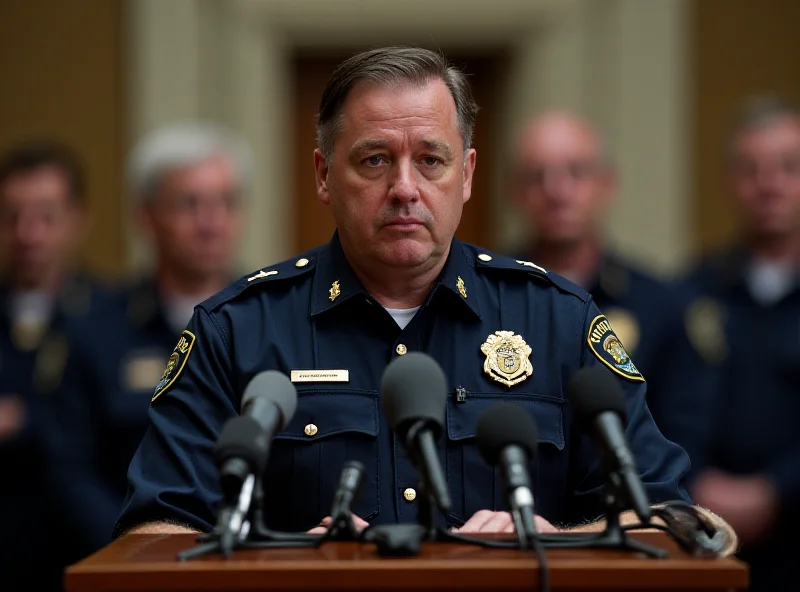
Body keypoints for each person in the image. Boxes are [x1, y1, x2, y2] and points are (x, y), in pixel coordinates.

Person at [115, 47, 690, 538]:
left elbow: (679, 519)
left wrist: (560, 541)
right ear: (323, 174)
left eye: (431, 160)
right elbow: (153, 530)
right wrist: (288, 557)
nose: (405, 189)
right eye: (375, 160)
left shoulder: (557, 321)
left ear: (466, 175)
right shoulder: (236, 331)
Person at [45, 123, 251, 563]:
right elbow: (69, 472)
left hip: (256, 564)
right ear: (146, 216)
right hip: (130, 564)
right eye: (189, 204)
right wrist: (135, 553)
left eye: (225, 203)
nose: (211, 223)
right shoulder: (94, 333)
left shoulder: (273, 320)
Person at [508, 112, 711, 459]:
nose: (556, 190)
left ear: (607, 183)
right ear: (513, 192)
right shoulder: (489, 293)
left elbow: (682, 437)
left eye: (576, 172)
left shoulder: (660, 304)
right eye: (537, 176)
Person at [678, 96, 800, 592]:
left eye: (788, 167)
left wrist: (776, 491)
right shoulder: (691, 291)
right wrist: (697, 484)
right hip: (707, 544)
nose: (769, 183)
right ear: (731, 181)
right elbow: (664, 403)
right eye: (751, 169)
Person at [0, 141, 112, 590]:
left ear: (77, 219)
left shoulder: (115, 318)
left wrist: (25, 421)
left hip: (87, 550)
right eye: (13, 217)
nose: (29, 233)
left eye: (46, 215)